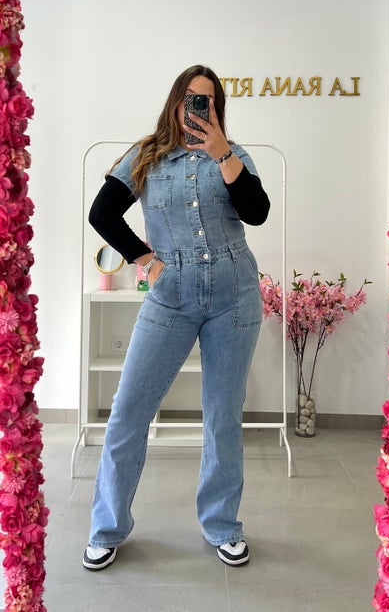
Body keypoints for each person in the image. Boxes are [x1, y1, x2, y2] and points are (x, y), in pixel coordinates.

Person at [82, 64, 270, 571]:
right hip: (170, 296)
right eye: (191, 98)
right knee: (128, 411)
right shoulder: (145, 155)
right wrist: (145, 259)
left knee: (223, 416)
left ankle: (222, 525)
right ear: (176, 101)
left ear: (217, 109)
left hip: (234, 296)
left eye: (207, 101)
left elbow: (256, 212)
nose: (197, 108)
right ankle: (107, 527)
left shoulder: (233, 155)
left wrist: (222, 153)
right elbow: (102, 213)